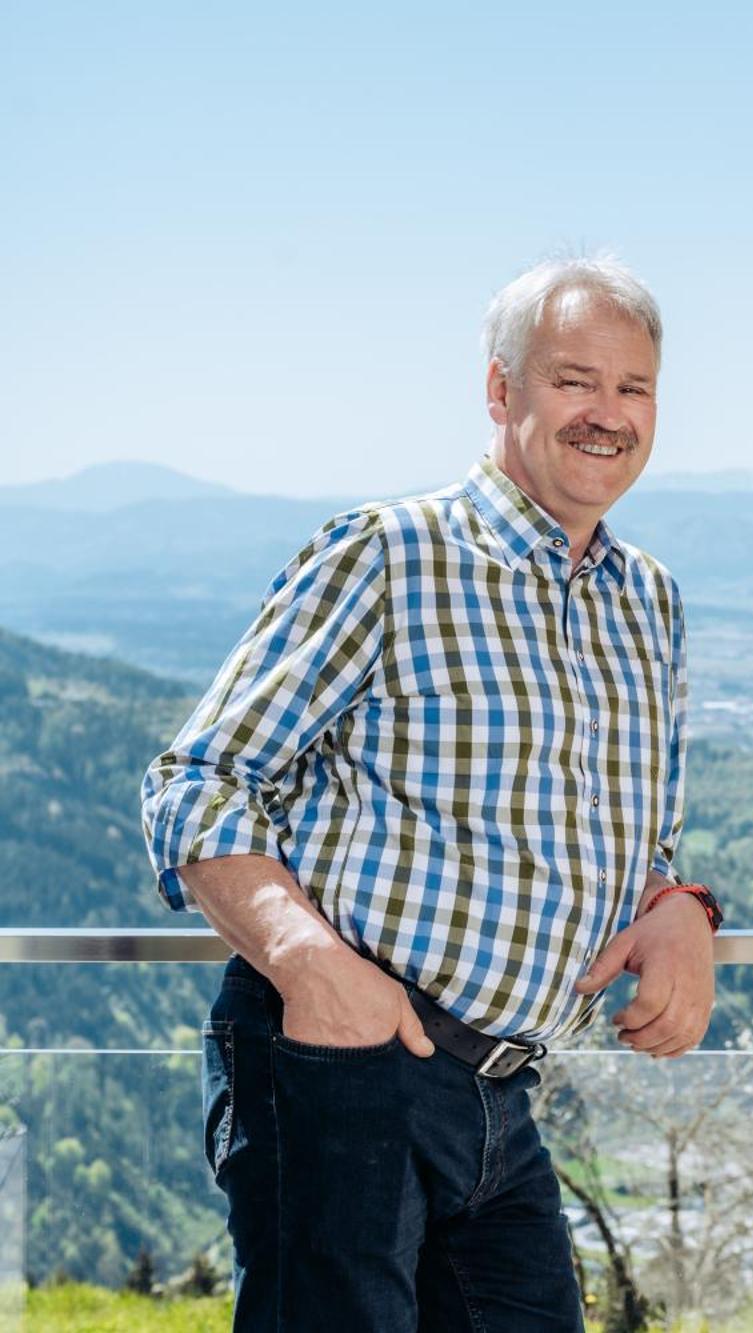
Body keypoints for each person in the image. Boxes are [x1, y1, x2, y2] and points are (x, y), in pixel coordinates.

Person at [140, 254, 721, 1331]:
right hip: (342, 1068)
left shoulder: (648, 600)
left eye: (633, 387)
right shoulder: (390, 555)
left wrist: (681, 907)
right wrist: (315, 969)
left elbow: (646, 836)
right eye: (572, 379)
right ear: (502, 391)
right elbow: (199, 780)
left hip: (506, 1095)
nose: (607, 413)